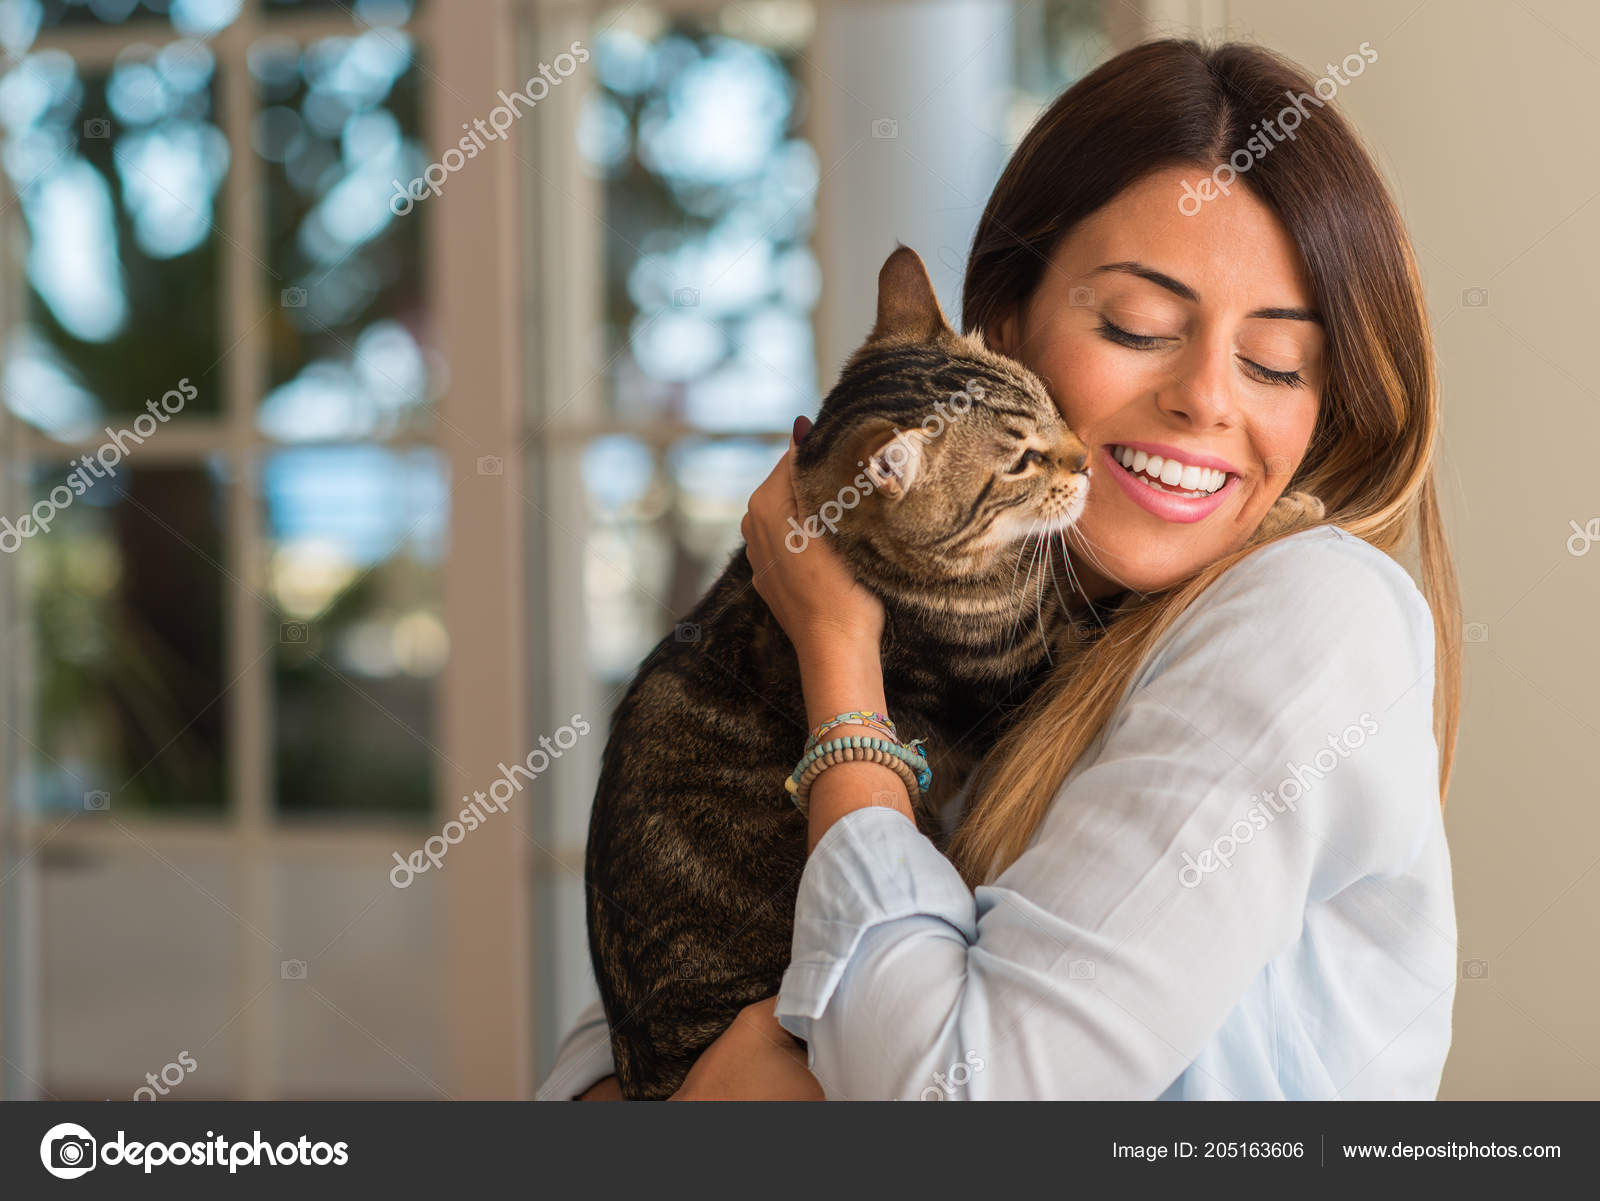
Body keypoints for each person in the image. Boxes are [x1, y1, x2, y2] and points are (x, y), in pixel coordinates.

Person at [537, 37, 1460, 1101]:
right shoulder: (997, 600)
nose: (1207, 399)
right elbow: (605, 1061)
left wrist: (841, 672)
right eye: (1138, 326)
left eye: (1275, 362)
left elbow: (967, 1097)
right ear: (1004, 327)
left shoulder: (1311, 613)